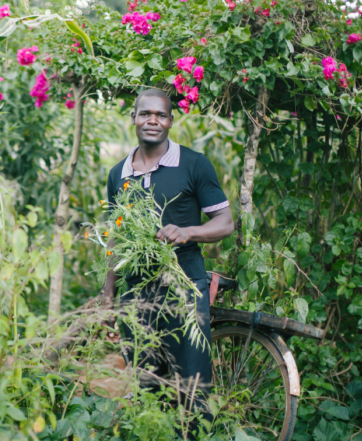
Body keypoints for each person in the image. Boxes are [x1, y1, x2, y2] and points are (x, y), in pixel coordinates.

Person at [102, 88, 234, 433]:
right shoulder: (119, 174)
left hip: (184, 289)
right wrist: (108, 293)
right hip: (136, 295)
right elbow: (117, 235)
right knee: (148, 387)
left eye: (161, 115)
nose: (153, 121)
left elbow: (225, 223)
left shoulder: (193, 164)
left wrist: (188, 231)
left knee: (192, 388)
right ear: (133, 118)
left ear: (171, 121)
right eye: (145, 114)